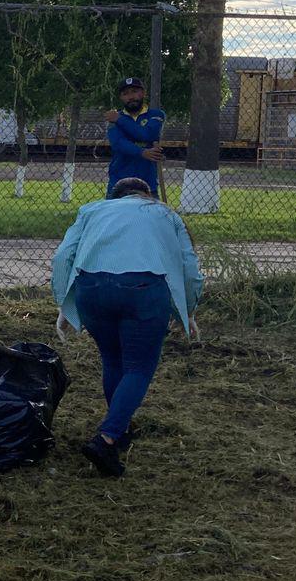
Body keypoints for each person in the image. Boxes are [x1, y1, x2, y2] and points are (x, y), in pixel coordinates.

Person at [51, 177, 204, 478]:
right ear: (147, 195)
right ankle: (107, 438)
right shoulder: (166, 214)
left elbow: (62, 256)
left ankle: (119, 430)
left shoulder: (91, 210)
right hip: (144, 290)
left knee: (113, 360)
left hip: (92, 289)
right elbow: (189, 266)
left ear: (114, 197)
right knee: (138, 367)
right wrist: (188, 308)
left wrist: (64, 302)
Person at [105, 77, 166, 198]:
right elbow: (119, 144)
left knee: (151, 211)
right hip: (118, 185)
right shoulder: (113, 118)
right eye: (125, 94)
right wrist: (142, 152)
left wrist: (120, 120)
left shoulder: (156, 115)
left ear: (143, 93)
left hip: (148, 185)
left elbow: (148, 134)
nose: (130, 97)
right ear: (121, 97)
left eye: (134, 91)